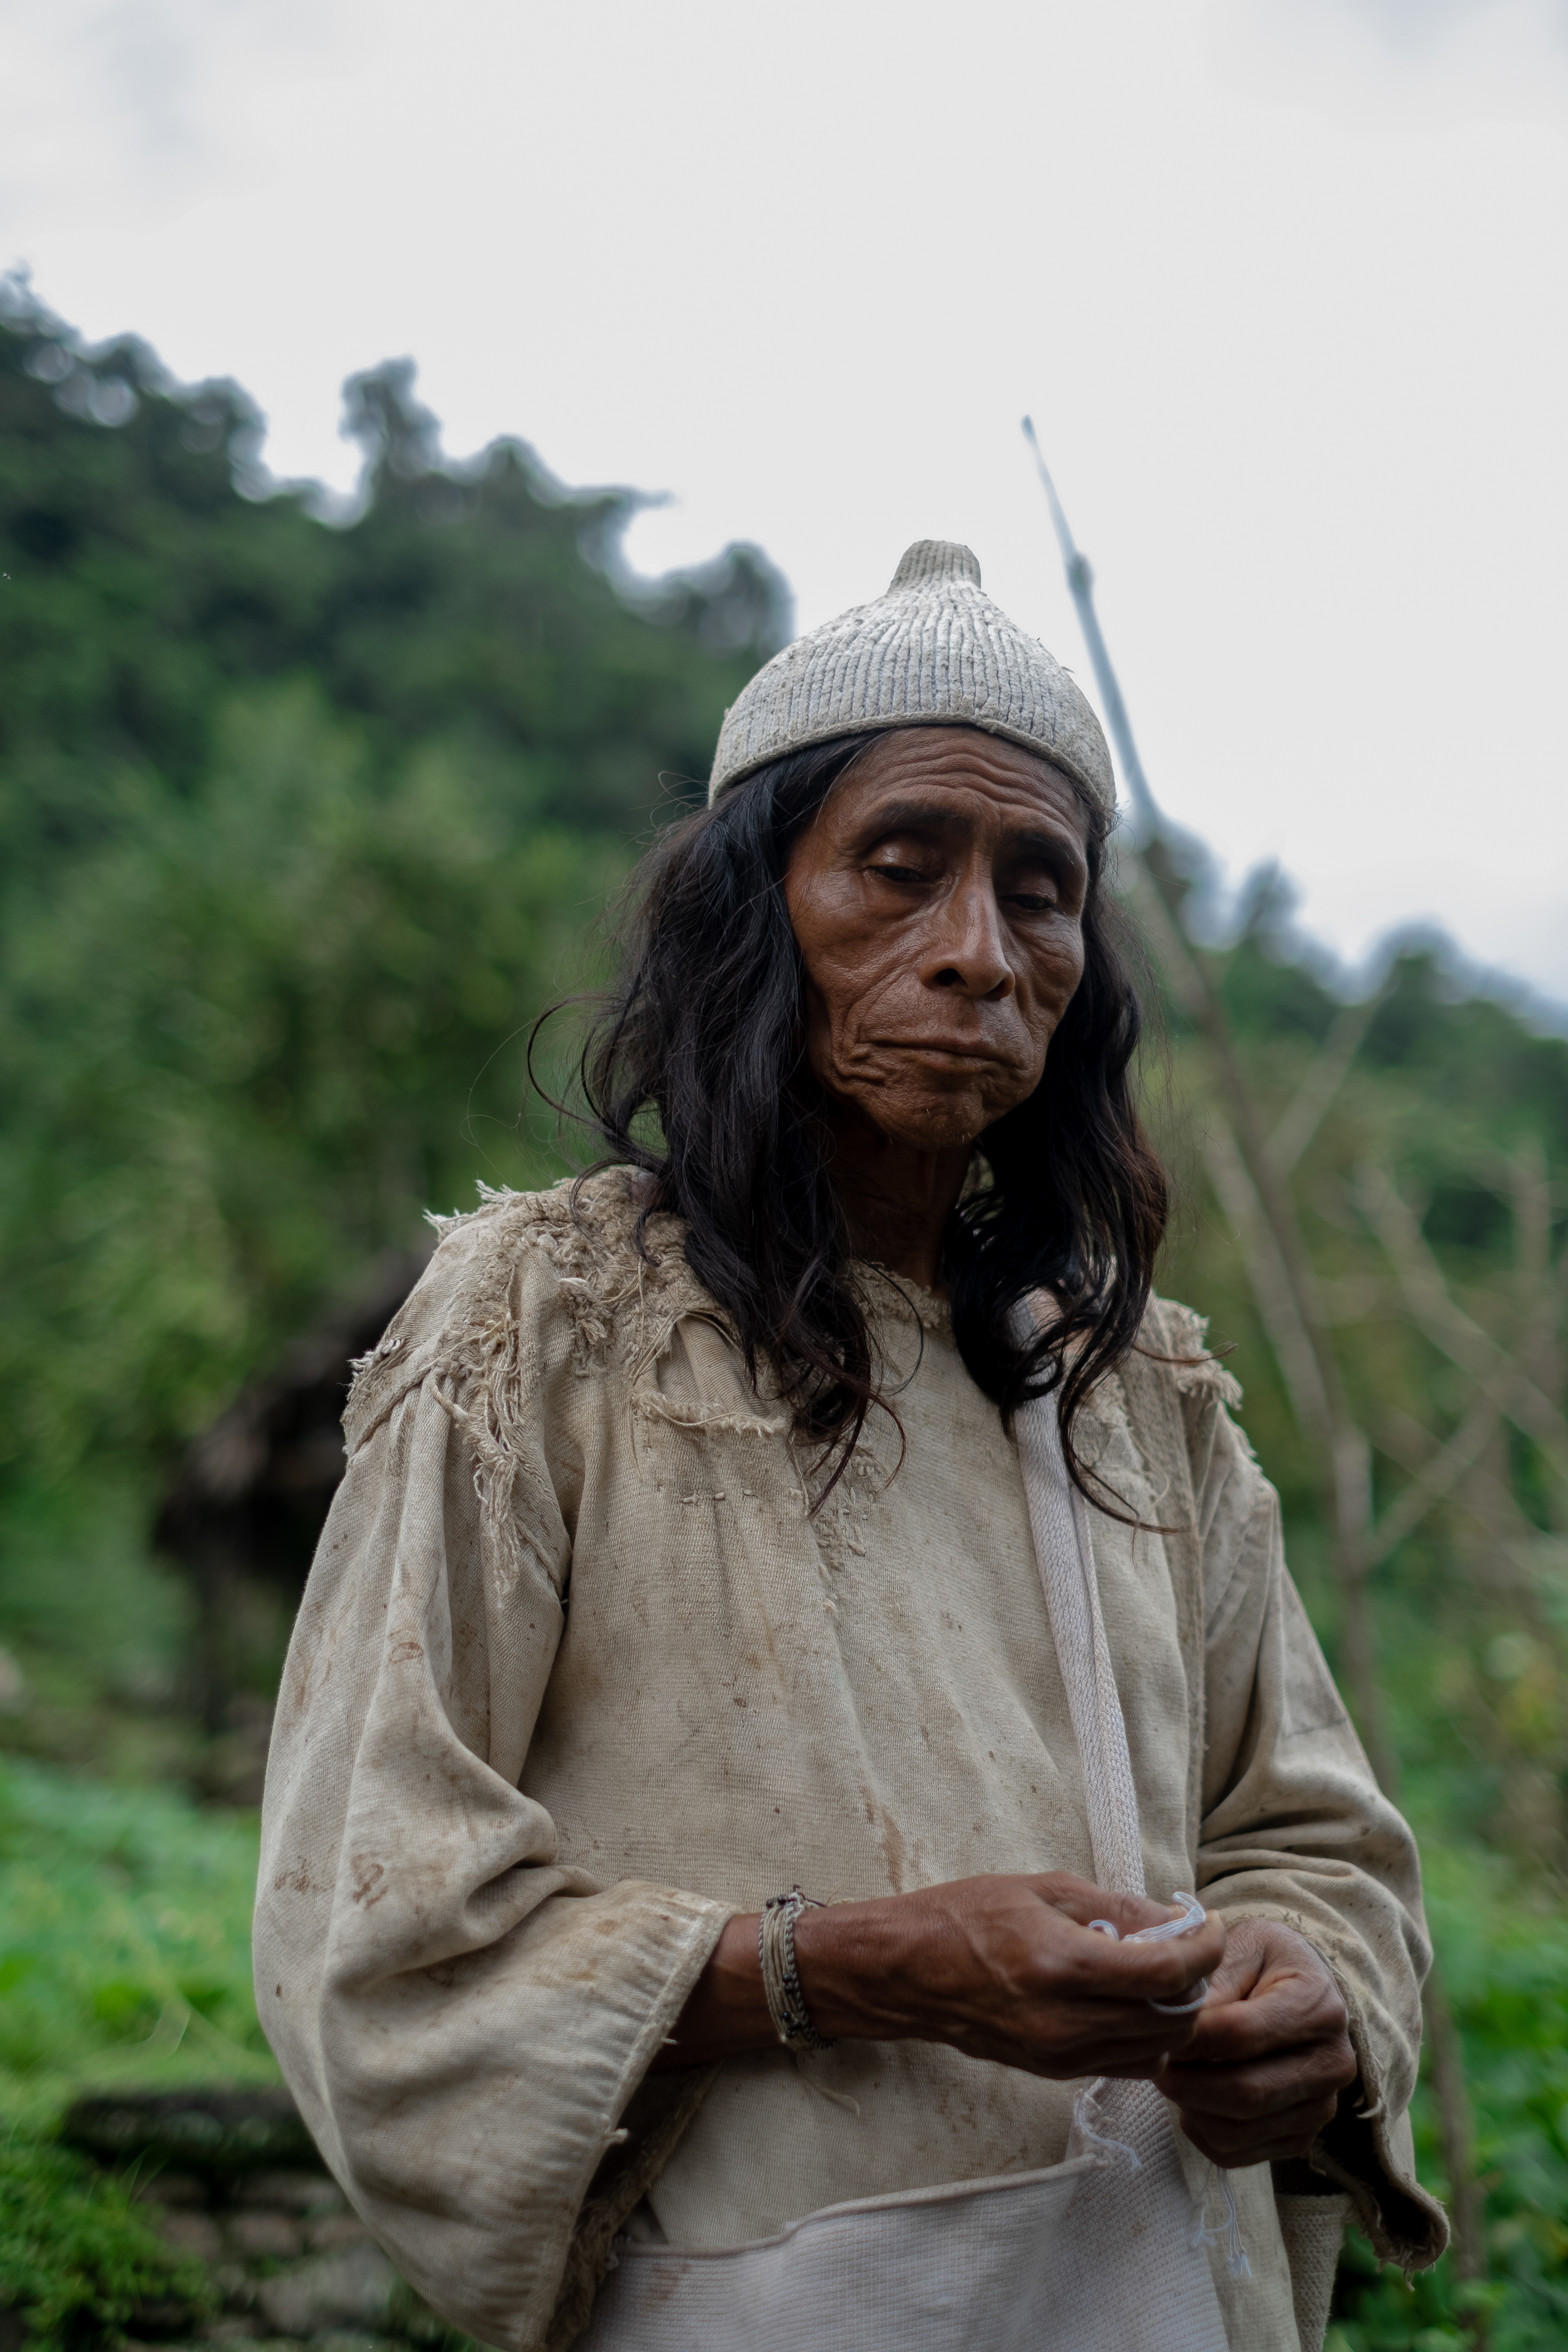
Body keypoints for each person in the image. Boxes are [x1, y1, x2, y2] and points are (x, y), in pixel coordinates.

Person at [256, 542, 1446, 2352]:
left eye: (1038, 891)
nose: (977, 950)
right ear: (759, 911)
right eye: (901, 871)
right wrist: (853, 1970)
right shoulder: (541, 1323)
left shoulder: (1139, 1393)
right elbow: (376, 1930)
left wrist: (1316, 1999)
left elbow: (1310, 1845)